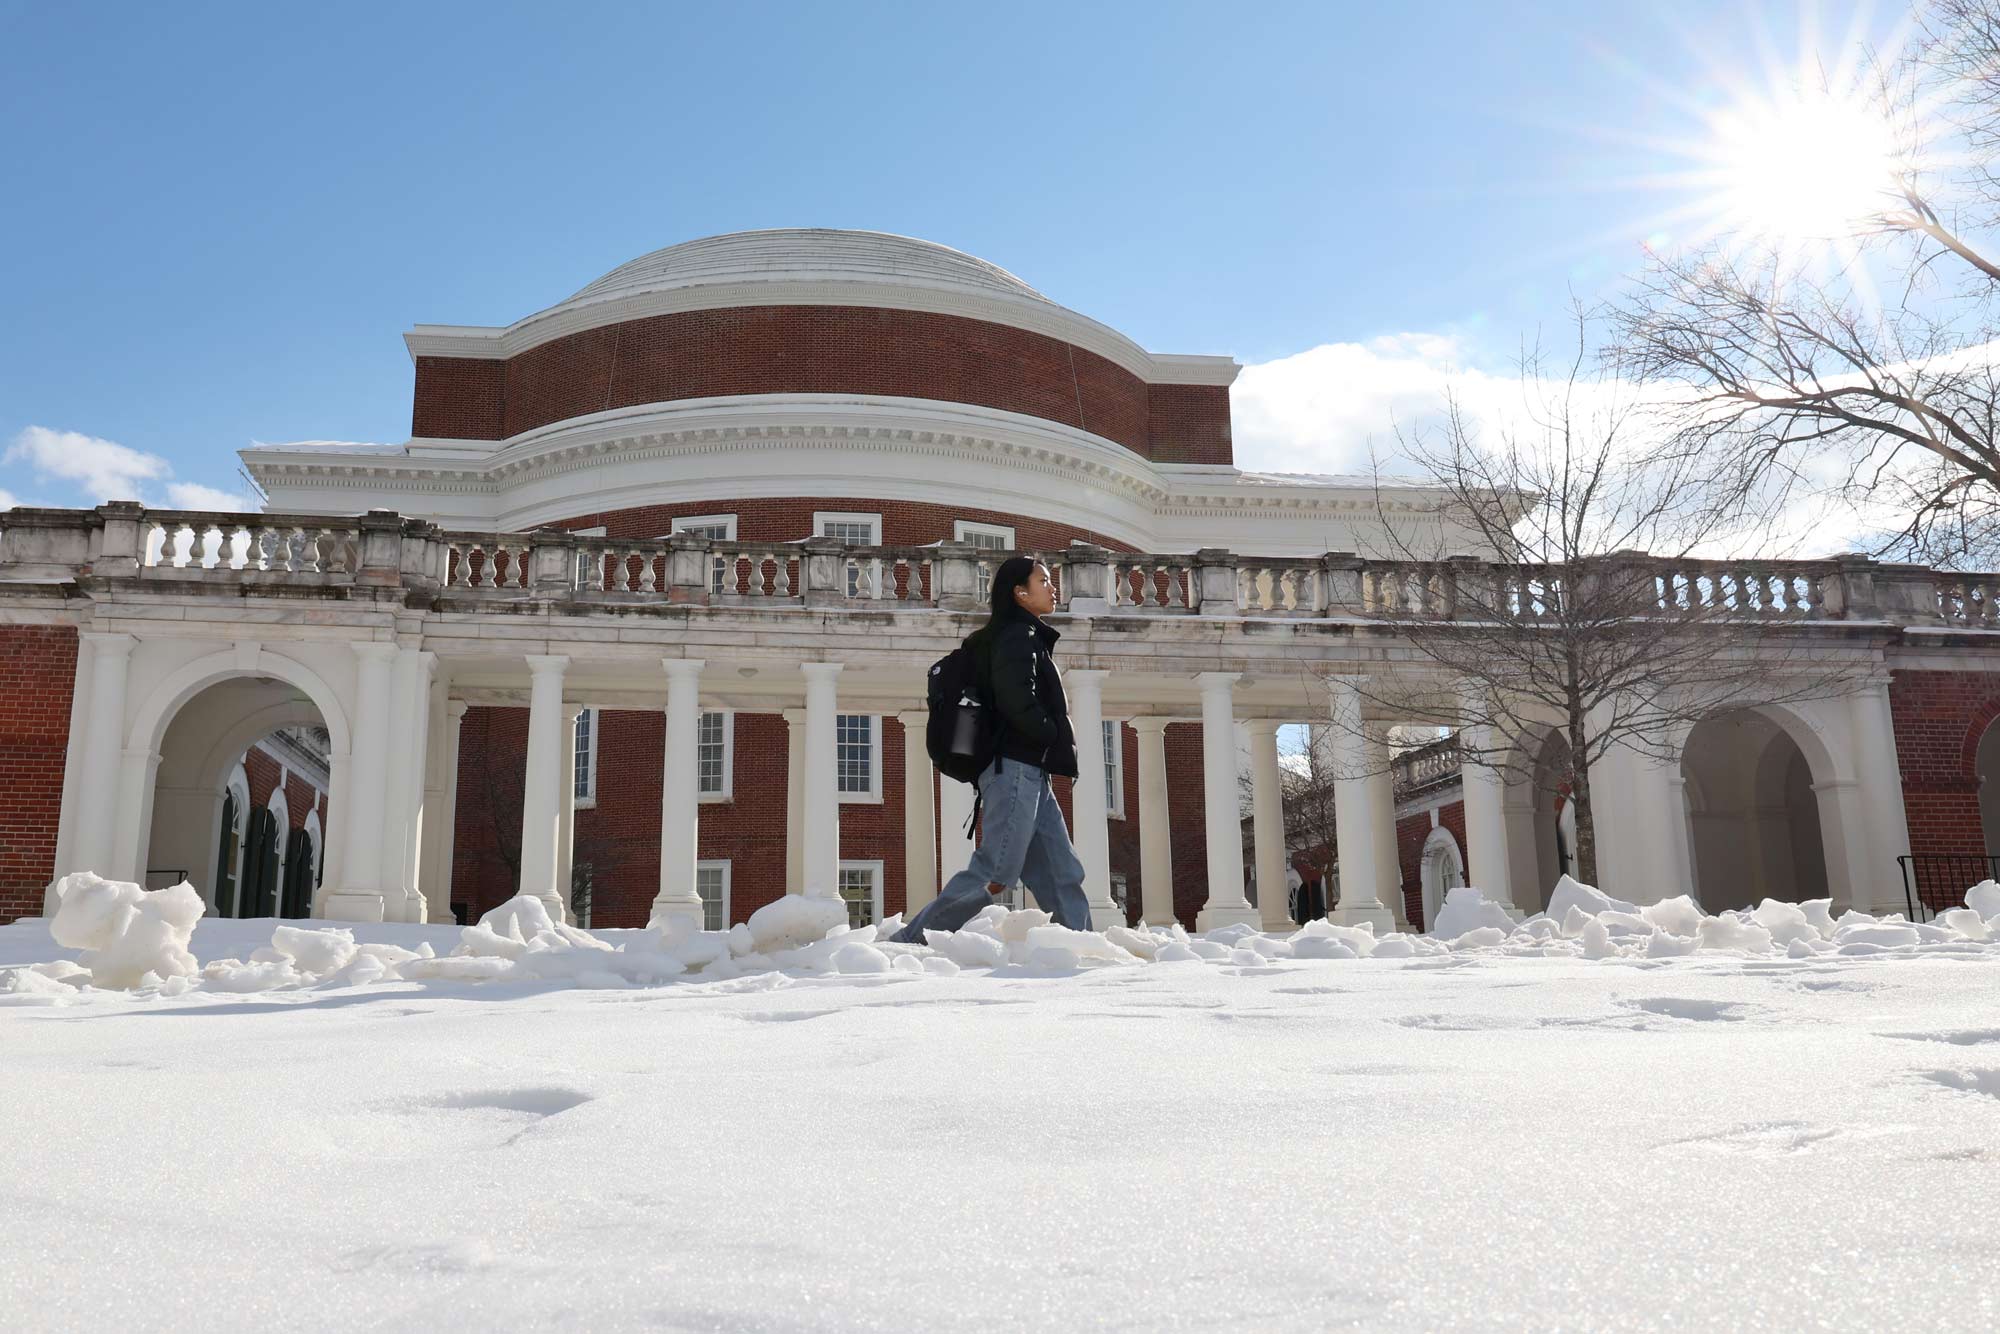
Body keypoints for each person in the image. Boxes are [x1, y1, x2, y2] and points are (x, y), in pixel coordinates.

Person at [893, 556, 1092, 940]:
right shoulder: (1016, 636)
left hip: (1032, 771)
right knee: (997, 871)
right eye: (1044, 580)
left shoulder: (1026, 635)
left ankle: (1079, 946)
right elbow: (1015, 698)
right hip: (1015, 768)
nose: (1053, 587)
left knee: (1060, 871)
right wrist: (1049, 731)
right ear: (1020, 592)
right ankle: (909, 941)